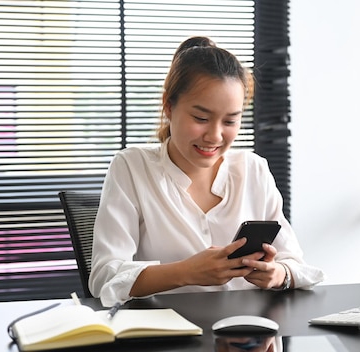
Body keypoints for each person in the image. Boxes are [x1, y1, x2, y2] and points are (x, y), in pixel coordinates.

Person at [89, 36, 325, 307]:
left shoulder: (253, 169)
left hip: (246, 337)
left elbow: (297, 265)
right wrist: (186, 272)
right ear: (169, 106)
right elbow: (104, 278)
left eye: (230, 121)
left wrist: (278, 274)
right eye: (201, 118)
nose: (214, 136)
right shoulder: (132, 167)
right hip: (165, 338)